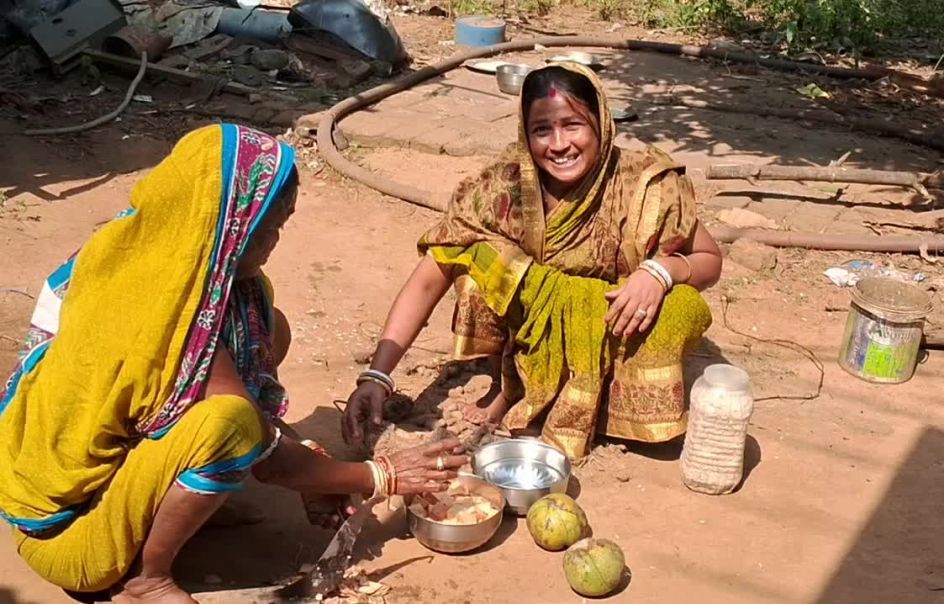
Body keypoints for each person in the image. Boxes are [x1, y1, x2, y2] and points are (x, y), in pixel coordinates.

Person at [0, 124, 465, 604]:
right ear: (224, 220)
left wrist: (310, 462)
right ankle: (146, 578)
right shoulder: (154, 308)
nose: (274, 242)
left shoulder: (175, 258)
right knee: (227, 423)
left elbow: (256, 414)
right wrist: (381, 474)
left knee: (268, 328)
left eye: (282, 224)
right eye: (265, 227)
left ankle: (169, 495)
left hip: (119, 465)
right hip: (67, 536)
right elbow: (262, 447)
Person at [342, 63, 723, 461]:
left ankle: (604, 403)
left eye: (573, 125)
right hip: (528, 322)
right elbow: (430, 276)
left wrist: (661, 271)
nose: (559, 145)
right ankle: (512, 386)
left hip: (612, 319)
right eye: (542, 130)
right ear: (526, 133)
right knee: (479, 260)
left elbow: (708, 259)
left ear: (601, 123)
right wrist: (378, 376)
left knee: (683, 307)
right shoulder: (505, 185)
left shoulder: (645, 185)